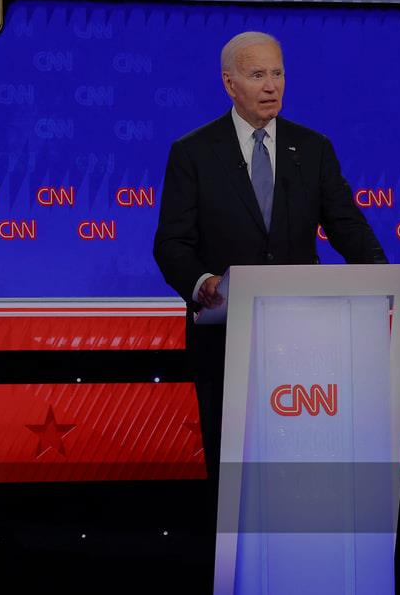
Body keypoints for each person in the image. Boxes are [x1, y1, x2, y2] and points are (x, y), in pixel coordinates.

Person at [153, 30, 387, 482]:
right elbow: (171, 243)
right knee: (234, 471)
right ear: (229, 83)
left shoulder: (313, 148)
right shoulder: (193, 153)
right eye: (257, 75)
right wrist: (203, 284)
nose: (271, 86)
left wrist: (379, 276)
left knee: (301, 465)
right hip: (227, 339)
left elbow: (348, 227)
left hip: (305, 338)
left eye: (277, 74)